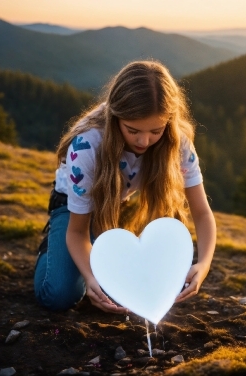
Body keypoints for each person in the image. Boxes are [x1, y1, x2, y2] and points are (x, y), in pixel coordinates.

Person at [34, 60, 216, 313]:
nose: (144, 141)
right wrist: (90, 277)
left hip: (119, 204)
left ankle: (102, 246)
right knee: (59, 295)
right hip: (73, 210)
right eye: (133, 130)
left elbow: (202, 212)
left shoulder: (177, 141)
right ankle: (53, 246)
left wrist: (203, 264)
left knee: (125, 292)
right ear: (116, 117)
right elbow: (77, 233)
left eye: (156, 130)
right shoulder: (87, 146)